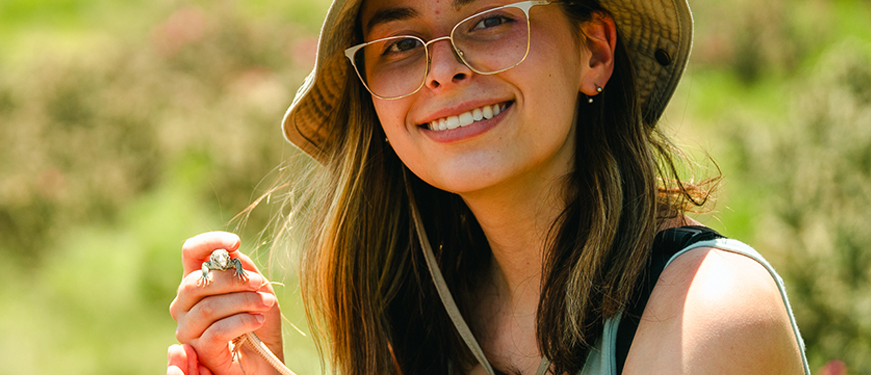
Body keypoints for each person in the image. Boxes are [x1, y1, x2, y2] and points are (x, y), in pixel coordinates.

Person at [167, 0, 811, 373]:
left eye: (490, 19)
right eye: (399, 42)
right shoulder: (425, 320)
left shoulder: (710, 311)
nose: (442, 69)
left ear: (594, 50)